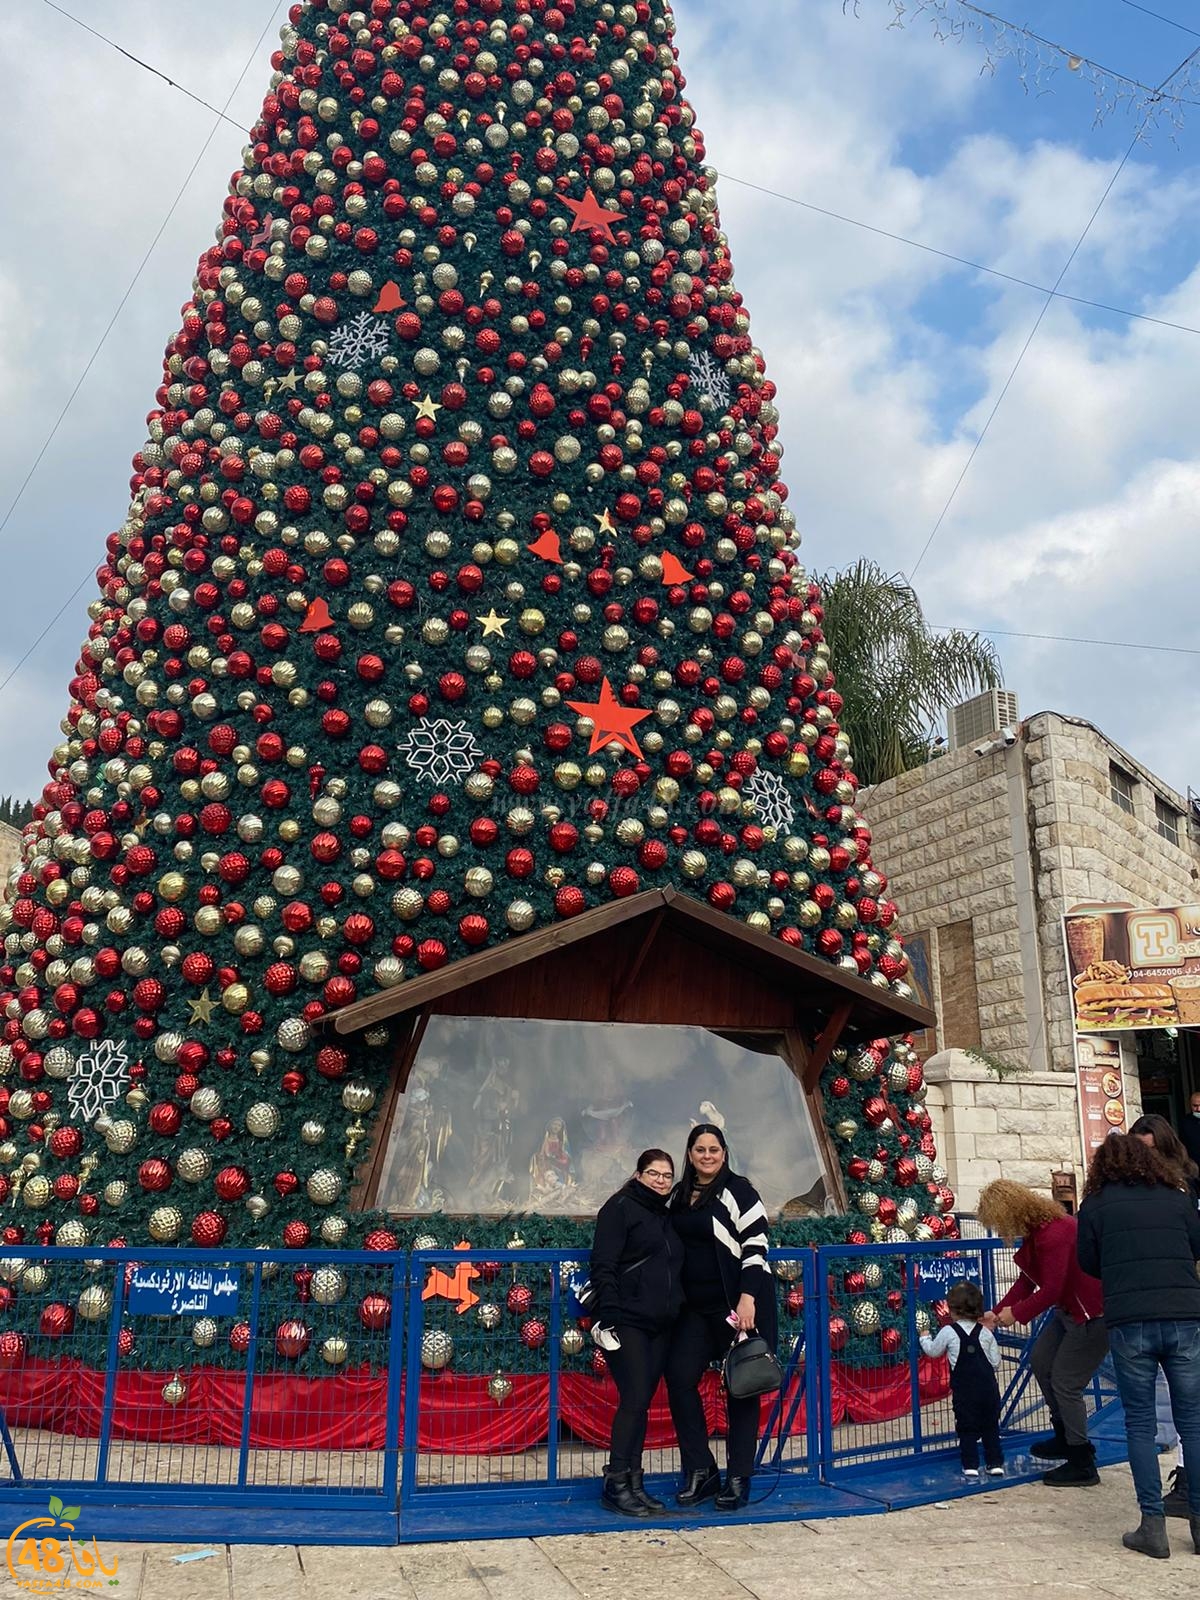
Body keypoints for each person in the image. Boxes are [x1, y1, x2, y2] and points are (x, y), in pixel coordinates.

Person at [1077, 1133, 1200, 1559]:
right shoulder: (1176, 1196)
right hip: (1184, 1314)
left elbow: (1087, 1262)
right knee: (1194, 1424)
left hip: (1131, 1320)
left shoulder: (1094, 1205)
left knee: (1140, 1425)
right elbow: (1196, 1245)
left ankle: (1153, 1526)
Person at [665, 1123, 776, 1512]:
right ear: (690, 1154)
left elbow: (757, 1245)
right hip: (695, 1310)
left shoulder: (739, 1191)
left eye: (714, 1149)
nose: (707, 1156)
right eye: (700, 1150)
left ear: (724, 1154)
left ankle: (739, 1477)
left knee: (740, 1388)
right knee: (679, 1378)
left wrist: (748, 1299)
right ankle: (702, 1470)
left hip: (737, 1307)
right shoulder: (679, 1194)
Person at [976, 1179, 1106, 1487]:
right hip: (1069, 1312)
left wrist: (1015, 1314)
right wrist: (995, 1313)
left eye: (1000, 1222)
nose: (1001, 1229)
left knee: (1065, 1382)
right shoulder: (1039, 1232)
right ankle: (1065, 1435)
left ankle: (1081, 1459)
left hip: (1091, 1314)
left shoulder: (1055, 1234)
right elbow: (1026, 1282)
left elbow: (1051, 1289)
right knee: (1041, 1360)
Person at [588, 1148, 684, 1518]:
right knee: (635, 1396)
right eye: (653, 1173)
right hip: (627, 1319)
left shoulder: (667, 1214)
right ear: (639, 1174)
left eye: (666, 1175)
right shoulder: (620, 1207)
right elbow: (604, 1263)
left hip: (660, 1322)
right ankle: (616, 1481)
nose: (660, 1180)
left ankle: (634, 1480)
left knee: (642, 1401)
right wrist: (610, 1313)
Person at [1130, 1110, 1200, 1516]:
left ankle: (1183, 1488)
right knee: (1172, 1404)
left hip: (1177, 1294)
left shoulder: (1179, 1184)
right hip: (1173, 1297)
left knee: (1184, 1407)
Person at [920, 1281, 1004, 1480]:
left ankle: (971, 1465)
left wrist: (924, 1337)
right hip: (988, 1390)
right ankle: (995, 1463)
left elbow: (933, 1351)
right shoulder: (985, 1333)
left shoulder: (949, 1332)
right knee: (990, 1425)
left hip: (965, 1391)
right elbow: (995, 1362)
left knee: (966, 1426)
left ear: (952, 1310)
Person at [1181, 1090, 1200, 1171]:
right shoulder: (1185, 1122)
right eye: (1195, 1106)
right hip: (1194, 1166)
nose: (1198, 1109)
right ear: (1190, 1105)